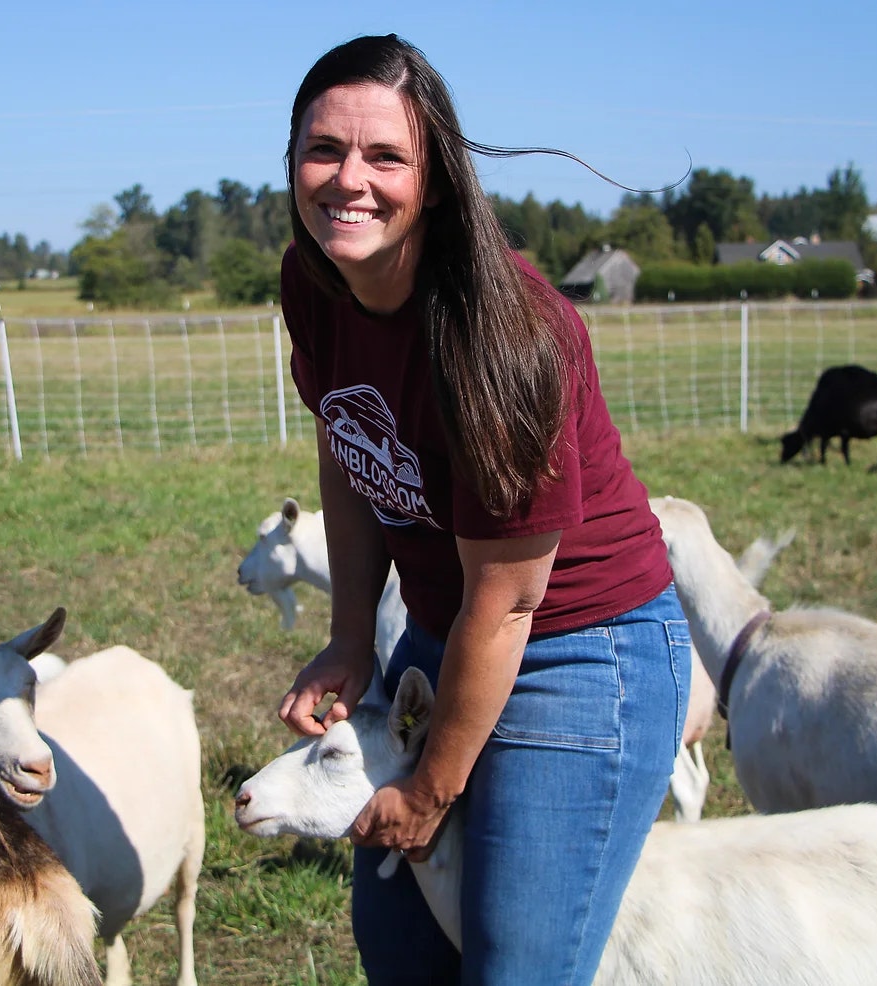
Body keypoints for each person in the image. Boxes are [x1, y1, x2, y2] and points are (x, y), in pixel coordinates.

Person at [275, 33, 689, 986]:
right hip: (438, 626)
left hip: (579, 648)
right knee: (402, 946)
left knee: (513, 968)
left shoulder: (507, 336)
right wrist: (349, 639)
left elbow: (507, 602)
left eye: (386, 157)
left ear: (438, 177)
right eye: (322, 149)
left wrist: (429, 787)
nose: (349, 180)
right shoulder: (316, 283)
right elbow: (351, 442)